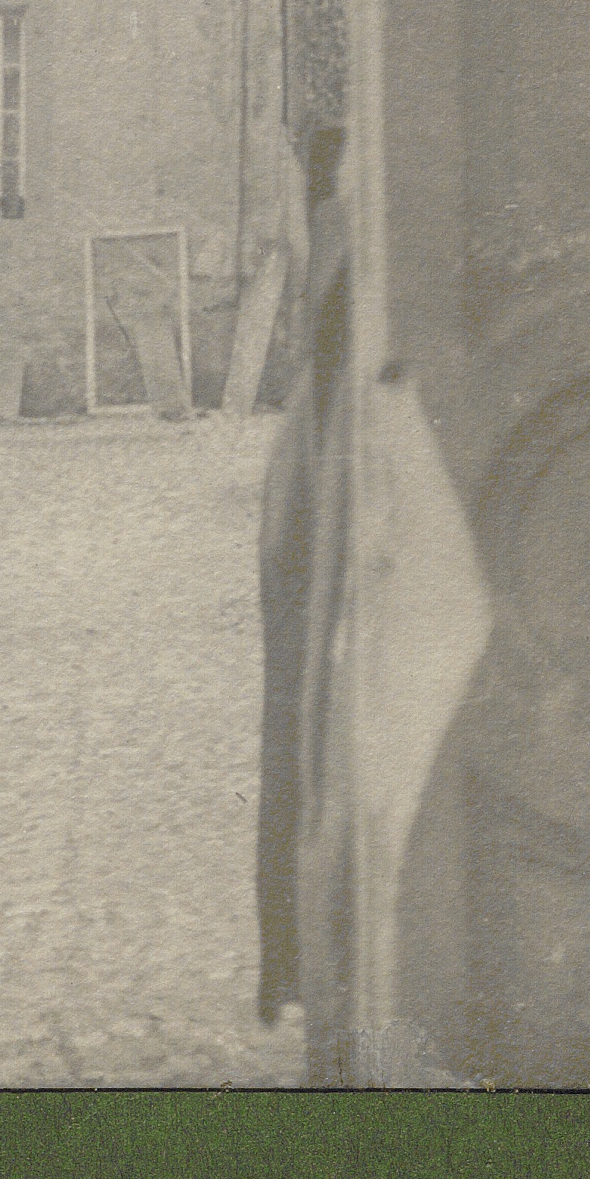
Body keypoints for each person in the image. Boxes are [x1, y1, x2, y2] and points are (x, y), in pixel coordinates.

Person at [257, 126, 350, 1037]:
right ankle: (307, 958)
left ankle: (303, 958)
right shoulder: (353, 257)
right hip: (318, 497)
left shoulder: (339, 250)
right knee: (309, 728)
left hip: (313, 491)